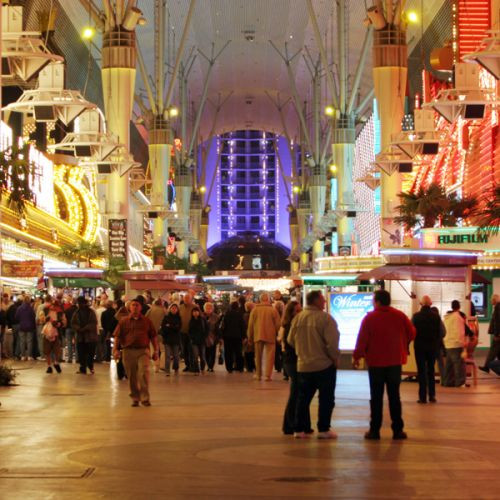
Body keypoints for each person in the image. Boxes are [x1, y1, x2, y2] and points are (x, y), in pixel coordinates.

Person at [353, 290, 416, 440]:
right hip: (395, 362)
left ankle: (375, 430)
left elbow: (362, 339)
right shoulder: (400, 316)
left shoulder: (370, 318)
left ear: (378, 301)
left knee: (376, 397)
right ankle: (397, 430)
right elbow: (412, 332)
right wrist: (402, 342)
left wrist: (357, 356)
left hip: (375, 363)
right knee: (394, 396)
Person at [287, 290, 340, 439]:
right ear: (316, 301)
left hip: (303, 365)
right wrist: (334, 358)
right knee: (326, 399)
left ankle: (299, 429)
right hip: (324, 365)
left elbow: (290, 340)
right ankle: (323, 429)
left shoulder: (298, 318)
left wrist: (301, 351)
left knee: (302, 398)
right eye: (322, 299)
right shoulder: (326, 319)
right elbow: (332, 343)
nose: (324, 302)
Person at [113, 298, 159, 406]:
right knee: (132, 376)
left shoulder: (147, 321)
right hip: (128, 351)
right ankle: (135, 397)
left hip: (143, 351)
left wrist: (156, 350)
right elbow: (117, 337)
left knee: (143, 373)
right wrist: (115, 349)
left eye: (137, 305)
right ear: (129, 307)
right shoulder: (123, 321)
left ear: (141, 307)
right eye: (133, 305)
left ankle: (145, 398)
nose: (135, 307)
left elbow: (153, 337)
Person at [279, 299, 312, 435]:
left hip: (298, 361)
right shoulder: (289, 326)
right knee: (296, 393)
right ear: (290, 313)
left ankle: (303, 424)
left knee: (302, 392)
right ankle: (290, 425)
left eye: (300, 310)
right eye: (297, 311)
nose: (299, 313)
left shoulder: (298, 324)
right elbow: (291, 345)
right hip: (292, 362)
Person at [411, 296, 441, 404]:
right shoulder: (436, 317)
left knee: (421, 371)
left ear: (421, 304)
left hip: (419, 347)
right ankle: (432, 396)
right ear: (431, 303)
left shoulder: (416, 316)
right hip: (432, 347)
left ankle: (422, 397)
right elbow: (440, 332)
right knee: (431, 371)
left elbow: (411, 331)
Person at [247, 292, 281, 381]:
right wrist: (279, 335)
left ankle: (258, 374)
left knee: (258, 356)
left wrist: (249, 336)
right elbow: (278, 324)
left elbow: (250, 325)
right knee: (270, 356)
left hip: (258, 335)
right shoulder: (273, 310)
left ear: (260, 299)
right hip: (270, 335)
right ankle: (267, 375)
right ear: (268, 299)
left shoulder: (255, 310)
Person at [443, 300, 467, 387]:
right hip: (456, 344)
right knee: (458, 365)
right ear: (459, 306)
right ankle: (460, 383)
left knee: (448, 366)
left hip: (448, 344)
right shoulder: (457, 317)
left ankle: (447, 382)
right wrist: (463, 343)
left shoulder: (447, 317)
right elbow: (459, 331)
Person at [72, 296, 98, 375]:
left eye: (81, 303)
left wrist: (85, 328)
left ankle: (91, 367)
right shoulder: (76, 313)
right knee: (81, 354)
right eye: (78, 303)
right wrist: (78, 328)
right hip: (80, 337)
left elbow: (94, 323)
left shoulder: (91, 312)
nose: (79, 305)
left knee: (90, 353)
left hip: (90, 337)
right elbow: (73, 323)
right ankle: (82, 368)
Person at [220, 301, 246, 373]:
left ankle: (229, 368)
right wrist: (244, 336)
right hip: (238, 336)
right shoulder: (240, 315)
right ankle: (240, 367)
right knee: (238, 352)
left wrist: (222, 336)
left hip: (227, 336)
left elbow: (223, 326)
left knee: (228, 352)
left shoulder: (226, 314)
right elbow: (242, 326)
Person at [479, 294, 500, 373]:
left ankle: (486, 367)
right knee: (497, 352)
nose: (490, 301)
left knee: (492, 351)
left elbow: (498, 322)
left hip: (497, 335)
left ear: (494, 300)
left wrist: (497, 334)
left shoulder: (498, 308)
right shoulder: (497, 307)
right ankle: (487, 366)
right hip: (497, 334)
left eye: (491, 300)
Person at [160, 303, 182, 376]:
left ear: (177, 310)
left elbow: (178, 328)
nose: (174, 309)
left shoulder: (179, 318)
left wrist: (169, 326)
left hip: (176, 339)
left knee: (176, 356)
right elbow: (163, 328)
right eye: (172, 308)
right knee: (168, 356)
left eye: (175, 308)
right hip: (167, 339)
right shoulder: (166, 317)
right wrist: (173, 326)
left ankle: (176, 368)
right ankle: (167, 371)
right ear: (170, 309)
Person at [146, 299, 166, 372]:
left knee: (153, 350)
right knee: (163, 350)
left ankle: (156, 366)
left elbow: (145, 320)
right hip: (161, 333)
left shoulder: (150, 310)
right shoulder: (164, 311)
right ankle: (162, 365)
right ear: (161, 304)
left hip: (151, 333)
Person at [15, 296, 36, 360]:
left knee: (22, 341)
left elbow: (16, 317)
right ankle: (29, 356)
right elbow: (33, 317)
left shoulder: (19, 308)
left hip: (21, 326)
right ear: (29, 301)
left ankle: (23, 356)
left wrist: (21, 321)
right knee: (29, 341)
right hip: (30, 327)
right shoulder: (31, 308)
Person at [179, 293, 196, 372]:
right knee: (184, 350)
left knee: (191, 350)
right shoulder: (180, 307)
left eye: (188, 298)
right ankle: (187, 365)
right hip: (182, 332)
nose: (186, 300)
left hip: (192, 333)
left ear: (191, 299)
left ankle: (193, 365)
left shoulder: (195, 307)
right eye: (185, 298)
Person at [188, 306, 207, 374]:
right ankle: (196, 370)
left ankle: (202, 369)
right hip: (194, 341)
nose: (195, 313)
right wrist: (191, 338)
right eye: (194, 312)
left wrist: (204, 337)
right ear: (192, 313)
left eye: (196, 311)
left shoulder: (203, 320)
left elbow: (206, 329)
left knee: (202, 356)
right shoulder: (191, 321)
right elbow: (189, 331)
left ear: (199, 312)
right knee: (195, 356)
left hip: (202, 341)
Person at [203, 302, 220, 372]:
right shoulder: (202, 316)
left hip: (213, 336)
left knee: (212, 352)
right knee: (206, 352)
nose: (208, 309)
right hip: (205, 337)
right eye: (207, 308)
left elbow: (218, 327)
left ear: (212, 309)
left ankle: (211, 366)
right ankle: (208, 365)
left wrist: (219, 337)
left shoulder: (216, 316)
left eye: (210, 308)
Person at [63, 298, 77, 363]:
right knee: (77, 343)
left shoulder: (67, 310)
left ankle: (70, 358)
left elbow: (65, 320)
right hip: (76, 329)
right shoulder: (78, 310)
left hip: (68, 328)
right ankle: (77, 358)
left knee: (69, 343)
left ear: (71, 302)